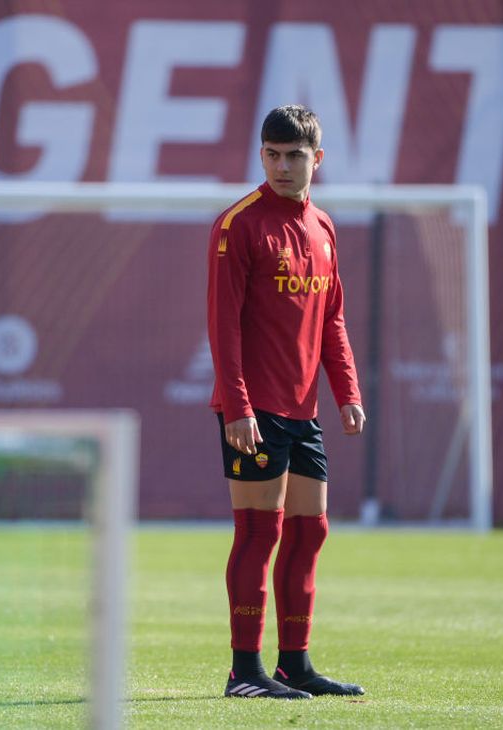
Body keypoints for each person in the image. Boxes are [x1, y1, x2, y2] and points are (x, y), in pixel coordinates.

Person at [207, 104, 366, 700]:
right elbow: (222, 328)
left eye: (293, 155)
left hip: (304, 410)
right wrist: (239, 407)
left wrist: (347, 391)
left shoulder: (323, 228)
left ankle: (293, 665)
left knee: (310, 532)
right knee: (257, 532)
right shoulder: (238, 225)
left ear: (316, 160)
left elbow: (334, 320)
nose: (281, 165)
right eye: (271, 154)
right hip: (253, 408)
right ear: (261, 155)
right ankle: (243, 673)